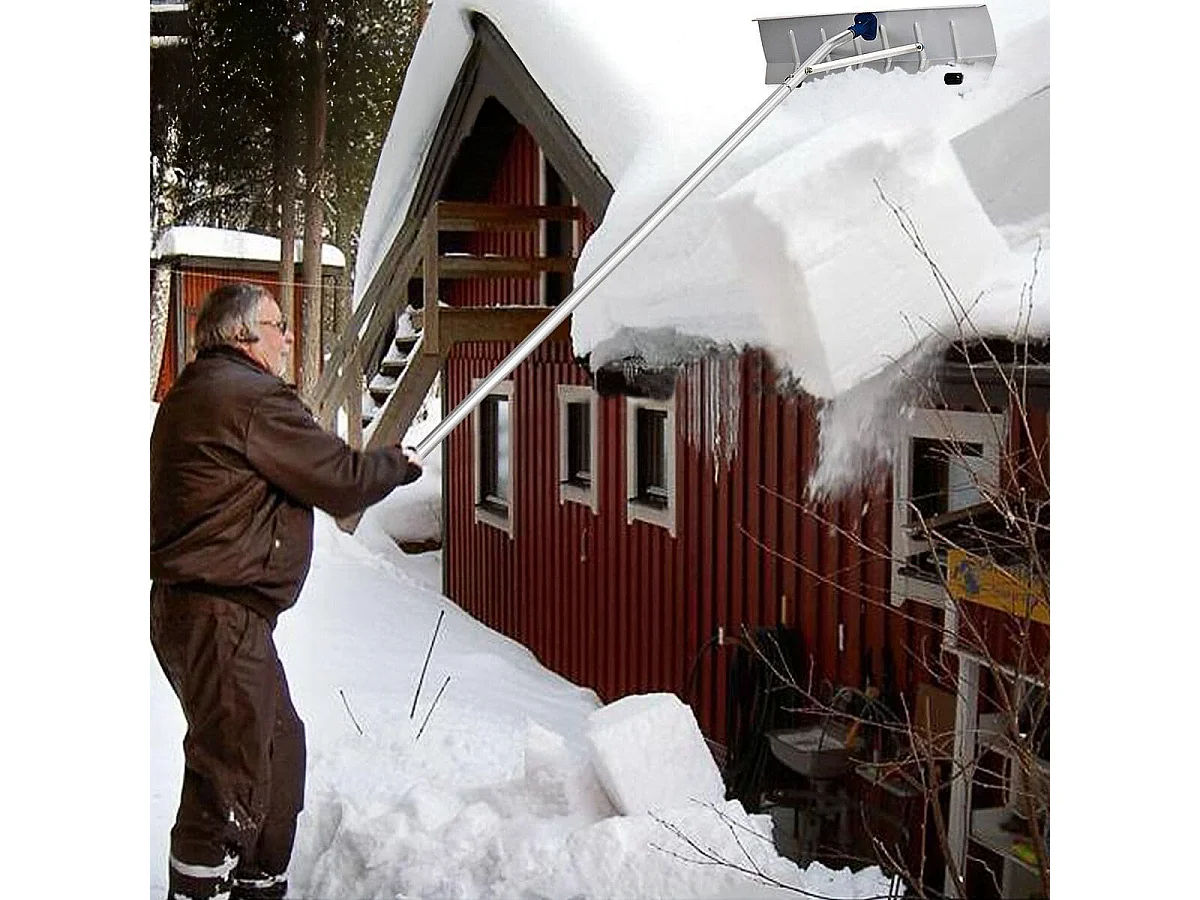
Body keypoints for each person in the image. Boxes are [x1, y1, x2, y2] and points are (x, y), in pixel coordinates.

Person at [150, 282, 422, 900]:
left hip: (204, 615)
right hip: (220, 616)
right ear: (243, 336)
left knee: (275, 753)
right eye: (278, 326)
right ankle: (202, 889)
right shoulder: (249, 398)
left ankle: (258, 884)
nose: (288, 338)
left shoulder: (197, 394)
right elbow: (341, 480)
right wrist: (394, 464)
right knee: (232, 777)